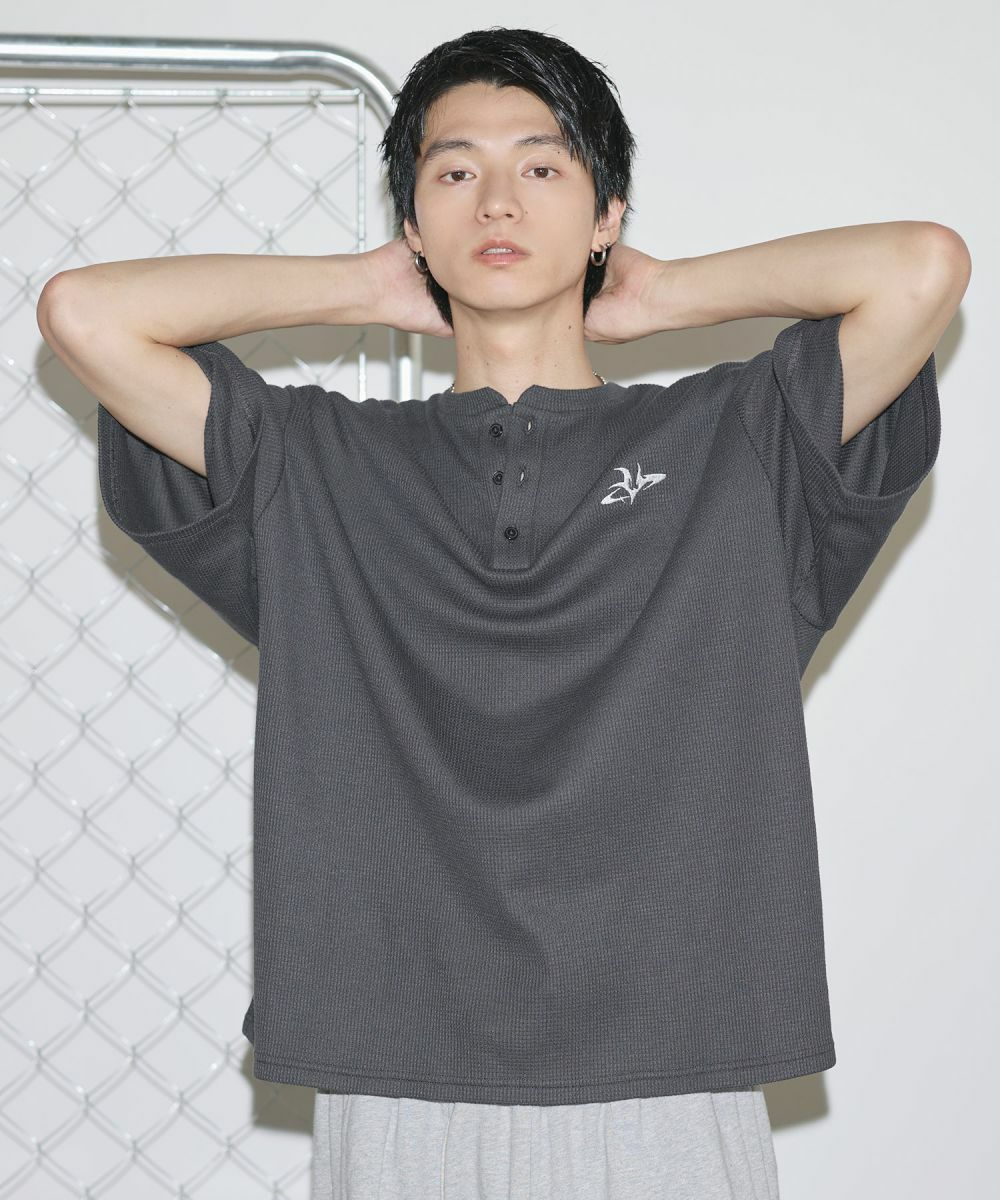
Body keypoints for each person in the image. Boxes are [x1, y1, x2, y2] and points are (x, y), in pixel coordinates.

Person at [36, 24, 967, 1200]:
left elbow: (922, 267)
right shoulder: (311, 460)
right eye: (454, 171)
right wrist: (364, 284)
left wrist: (662, 294)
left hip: (669, 1063)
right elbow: (83, 312)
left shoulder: (734, 443)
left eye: (541, 165)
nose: (497, 201)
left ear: (606, 212)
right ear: (413, 221)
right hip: (399, 1063)